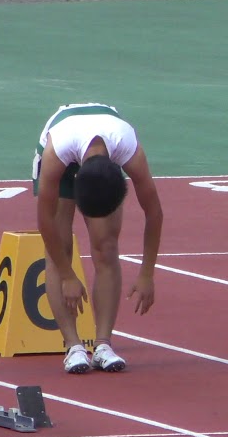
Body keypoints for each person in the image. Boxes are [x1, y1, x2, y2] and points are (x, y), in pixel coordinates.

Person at [33, 103, 164, 374]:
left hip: (103, 155)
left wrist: (147, 274)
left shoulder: (129, 149)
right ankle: (73, 346)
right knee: (61, 245)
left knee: (106, 245)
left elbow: (154, 213)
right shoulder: (55, 153)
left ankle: (103, 344)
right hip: (65, 155)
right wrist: (68, 275)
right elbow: (44, 220)